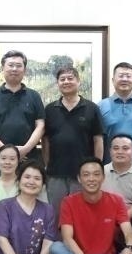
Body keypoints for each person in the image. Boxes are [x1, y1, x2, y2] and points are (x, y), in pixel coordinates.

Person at [49, 158, 132, 254]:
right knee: (55, 248)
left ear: (103, 177)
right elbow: (67, 238)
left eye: (96, 174)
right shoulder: (68, 202)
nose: (91, 179)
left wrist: (130, 248)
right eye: (86, 175)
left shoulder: (116, 200)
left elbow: (128, 231)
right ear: (79, 179)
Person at [42, 65, 104, 211]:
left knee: (82, 213)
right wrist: (47, 165)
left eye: (70, 78)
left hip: (83, 174)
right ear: (58, 83)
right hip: (56, 173)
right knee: (56, 214)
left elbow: (98, 140)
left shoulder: (92, 108)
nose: (66, 82)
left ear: (78, 81)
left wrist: (97, 167)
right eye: (62, 79)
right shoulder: (49, 109)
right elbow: (45, 141)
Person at [0, 49, 46, 170]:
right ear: (2, 68)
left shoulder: (34, 96)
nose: (14, 69)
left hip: (29, 160)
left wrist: (25, 149)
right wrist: (7, 152)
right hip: (0, 160)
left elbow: (41, 127)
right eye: (10, 65)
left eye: (18, 66)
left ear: (24, 70)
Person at [102, 134, 132, 217]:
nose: (120, 152)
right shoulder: (101, 171)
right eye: (116, 148)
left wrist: (122, 219)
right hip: (105, 216)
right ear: (110, 151)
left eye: (125, 148)